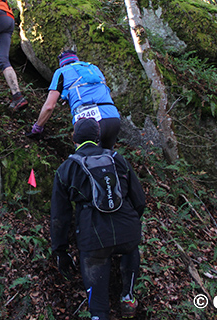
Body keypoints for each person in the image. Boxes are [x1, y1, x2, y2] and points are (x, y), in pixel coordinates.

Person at [51, 118, 146, 320]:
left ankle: (99, 314)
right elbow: (139, 200)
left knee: (98, 308)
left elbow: (60, 216)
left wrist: (61, 250)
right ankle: (127, 296)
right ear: (98, 138)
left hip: (93, 238)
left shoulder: (66, 169)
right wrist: (132, 223)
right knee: (131, 247)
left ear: (73, 139)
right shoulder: (117, 158)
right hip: (127, 229)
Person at [27, 50, 120, 149]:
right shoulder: (94, 68)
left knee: (86, 158)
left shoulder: (61, 72)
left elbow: (49, 106)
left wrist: (37, 128)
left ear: (62, 64)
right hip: (113, 117)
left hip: (88, 121)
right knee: (107, 158)